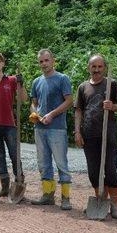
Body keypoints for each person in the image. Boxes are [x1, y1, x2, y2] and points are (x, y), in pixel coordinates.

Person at [74, 54, 117, 218]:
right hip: (89, 134)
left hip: (108, 134)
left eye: (99, 66)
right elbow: (78, 111)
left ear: (104, 67)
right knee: (93, 172)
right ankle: (100, 200)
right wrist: (77, 132)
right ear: (88, 68)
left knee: (110, 170)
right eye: (93, 66)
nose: (96, 70)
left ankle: (115, 205)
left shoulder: (112, 84)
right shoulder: (83, 87)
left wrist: (112, 106)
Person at [29, 49, 73, 210]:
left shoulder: (62, 79)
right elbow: (33, 102)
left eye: (46, 60)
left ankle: (66, 197)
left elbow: (69, 101)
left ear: (53, 61)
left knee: (61, 162)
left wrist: (52, 114)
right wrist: (35, 113)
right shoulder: (36, 81)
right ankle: (48, 195)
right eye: (41, 61)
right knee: (43, 162)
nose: (44, 64)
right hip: (39, 127)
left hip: (57, 128)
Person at [0, 52, 27, 197]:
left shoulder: (12, 80)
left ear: (3, 64)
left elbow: (23, 99)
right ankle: (5, 186)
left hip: (9, 124)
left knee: (14, 154)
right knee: (0, 155)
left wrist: (22, 84)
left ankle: (19, 183)